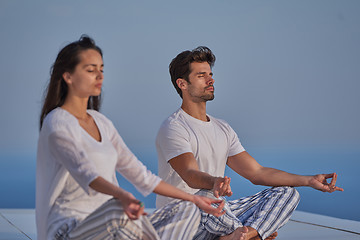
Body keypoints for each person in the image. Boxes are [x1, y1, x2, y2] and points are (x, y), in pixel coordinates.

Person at [36, 36, 226, 240]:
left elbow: (140, 174)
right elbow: (86, 173)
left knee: (188, 209)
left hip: (115, 227)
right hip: (68, 229)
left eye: (101, 69)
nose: (99, 75)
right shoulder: (57, 123)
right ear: (68, 77)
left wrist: (193, 199)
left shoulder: (101, 122)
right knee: (118, 210)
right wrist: (123, 196)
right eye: (91, 70)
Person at [155, 46, 344, 240]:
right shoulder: (174, 127)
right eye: (201, 75)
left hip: (217, 216)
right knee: (205, 196)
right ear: (182, 84)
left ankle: (243, 236)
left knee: (287, 194)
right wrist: (215, 182)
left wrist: (309, 180)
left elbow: (257, 172)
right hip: (181, 221)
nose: (210, 79)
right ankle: (249, 235)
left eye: (210, 74)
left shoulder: (222, 128)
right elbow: (189, 174)